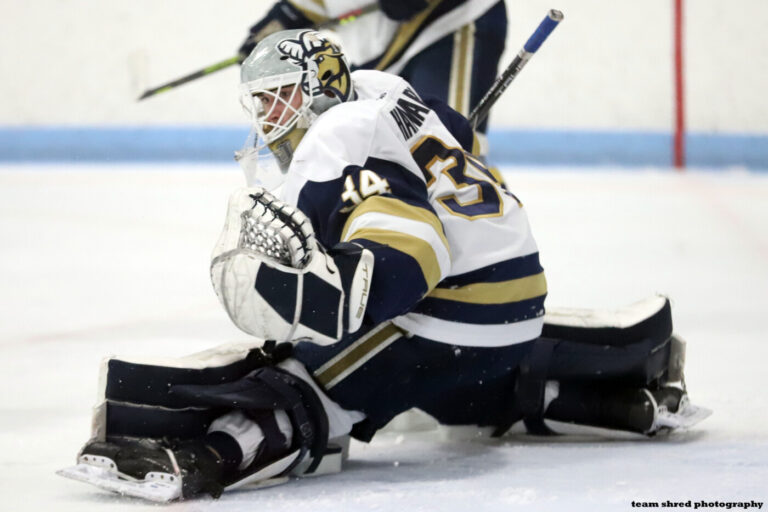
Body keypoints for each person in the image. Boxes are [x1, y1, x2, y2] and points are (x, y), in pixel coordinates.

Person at [62, 30, 708, 502]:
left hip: (452, 316)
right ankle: (617, 401)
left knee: (305, 382)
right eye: (260, 101)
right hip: (515, 308)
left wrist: (334, 294)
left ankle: (204, 455)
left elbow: (411, 247)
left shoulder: (336, 141)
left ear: (319, 89)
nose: (268, 116)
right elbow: (456, 129)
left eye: (280, 96)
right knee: (454, 389)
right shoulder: (386, 93)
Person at [237, 0, 508, 135]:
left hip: (448, 23)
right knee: (376, 148)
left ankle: (487, 234)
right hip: (377, 50)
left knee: (444, 143)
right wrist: (286, 15)